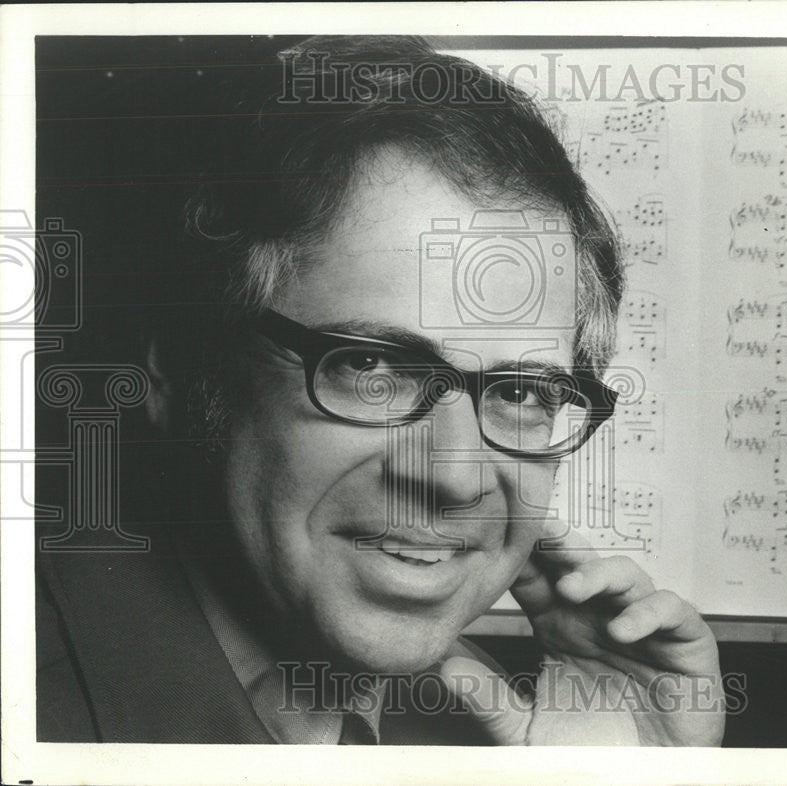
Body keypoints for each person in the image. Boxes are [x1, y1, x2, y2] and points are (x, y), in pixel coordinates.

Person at [36, 35, 724, 746]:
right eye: (373, 369)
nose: (455, 480)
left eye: (520, 394)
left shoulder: (495, 724)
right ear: (182, 370)